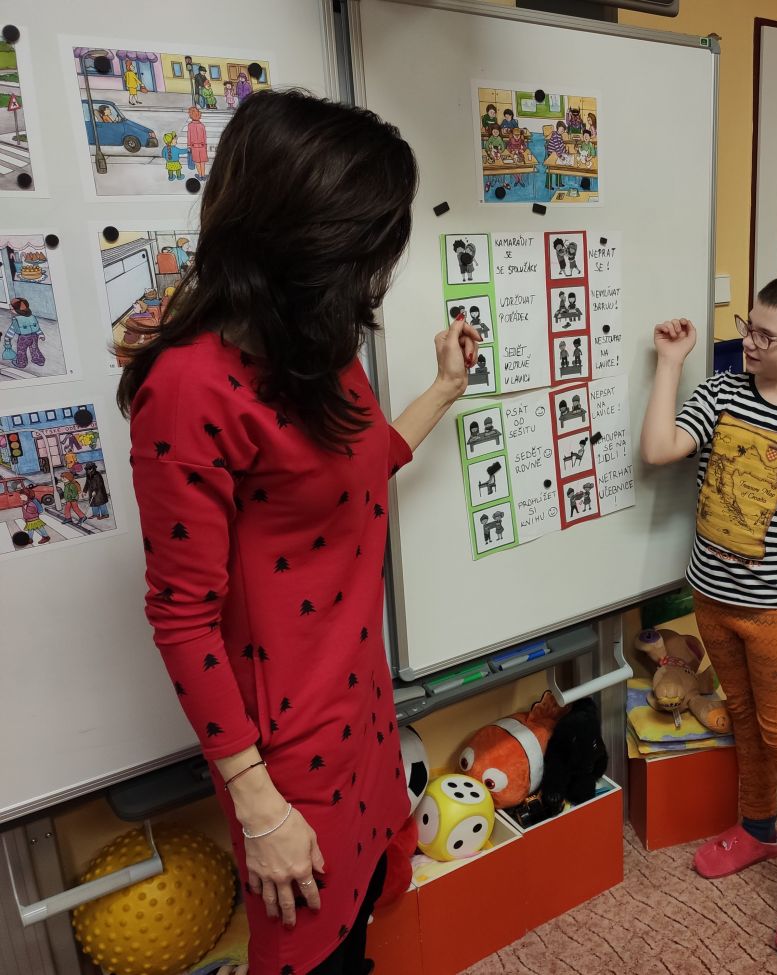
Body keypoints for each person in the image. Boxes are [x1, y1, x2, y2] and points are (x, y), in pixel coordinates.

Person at [116, 89, 480, 975]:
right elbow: (181, 616)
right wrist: (258, 805)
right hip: (285, 758)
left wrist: (442, 390)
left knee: (359, 927)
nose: (376, 274)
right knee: (311, 953)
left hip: (363, 711)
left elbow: (355, 471)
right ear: (299, 241)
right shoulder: (188, 388)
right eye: (366, 248)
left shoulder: (318, 348)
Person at [641, 272, 777, 959]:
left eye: (767, 335)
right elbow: (658, 450)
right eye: (749, 325)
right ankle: (758, 827)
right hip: (712, 597)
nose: (750, 341)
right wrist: (670, 364)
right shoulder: (720, 393)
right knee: (742, 718)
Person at [6, 298, 45, 369]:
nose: (10, 311)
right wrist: (41, 334)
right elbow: (37, 327)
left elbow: (11, 331)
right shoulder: (32, 317)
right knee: (35, 349)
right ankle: (39, 360)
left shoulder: (16, 320)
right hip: (34, 336)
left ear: (18, 310)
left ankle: (21, 363)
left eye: (11, 309)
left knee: (21, 351)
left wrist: (7, 339)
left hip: (23, 338)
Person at [186, 107, 209, 180]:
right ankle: (203, 175)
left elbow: (189, 136)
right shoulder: (202, 125)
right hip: (202, 146)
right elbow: (204, 137)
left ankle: (200, 175)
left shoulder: (190, 125)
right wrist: (205, 146)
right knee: (202, 162)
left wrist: (188, 146)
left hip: (194, 147)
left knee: (197, 162)